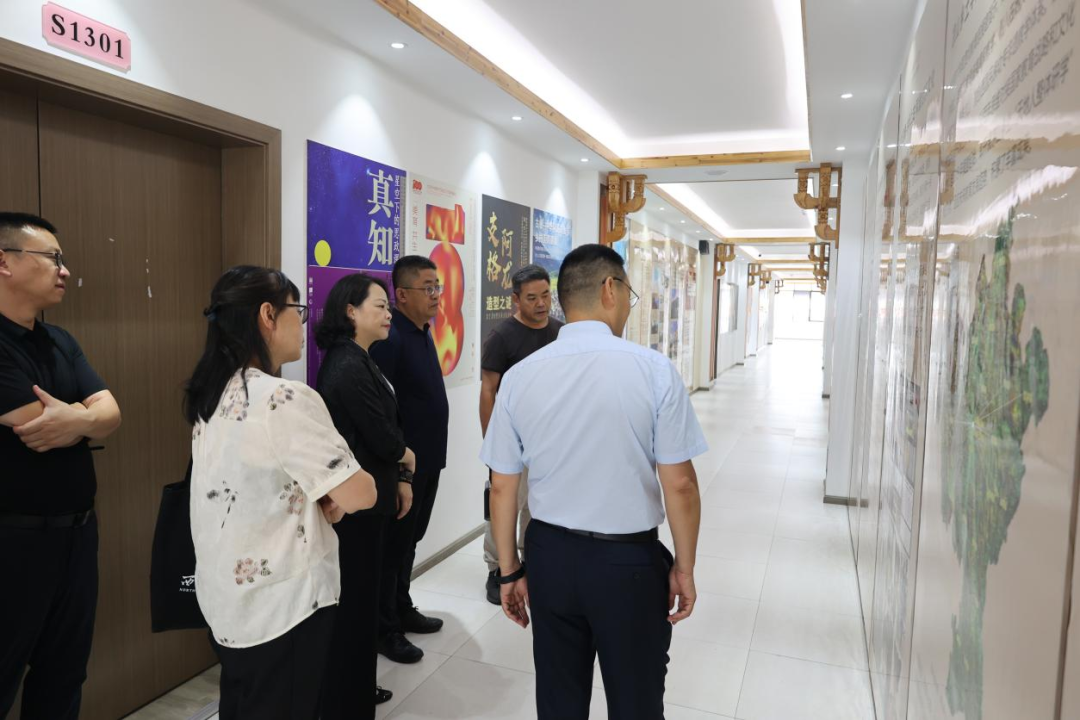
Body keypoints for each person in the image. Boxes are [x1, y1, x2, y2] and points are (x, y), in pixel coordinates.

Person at [480, 244, 707, 720]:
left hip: (549, 557)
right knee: (636, 700)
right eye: (629, 294)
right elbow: (681, 486)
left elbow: (502, 487)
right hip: (627, 564)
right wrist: (684, 568)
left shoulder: (520, 377)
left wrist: (510, 571)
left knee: (559, 698)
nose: (628, 306)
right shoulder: (653, 370)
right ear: (610, 289)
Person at [184, 265, 377, 720]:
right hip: (284, 605)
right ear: (268, 315)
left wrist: (318, 494)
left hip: (227, 599)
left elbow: (256, 482)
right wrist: (335, 492)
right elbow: (361, 494)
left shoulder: (213, 392)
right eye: (298, 311)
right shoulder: (282, 397)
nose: (303, 323)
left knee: (243, 703)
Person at [0, 212, 122, 720]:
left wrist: (78, 420)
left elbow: (112, 414)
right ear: (4, 262)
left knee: (64, 673)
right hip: (13, 542)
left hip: (76, 535)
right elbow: (35, 424)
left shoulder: (60, 340)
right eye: (52, 258)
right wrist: (87, 418)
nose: (64, 270)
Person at [315, 274, 417, 718]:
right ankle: (348, 697)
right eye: (379, 305)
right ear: (350, 311)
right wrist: (406, 456)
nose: (388, 313)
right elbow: (380, 433)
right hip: (353, 508)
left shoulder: (359, 358)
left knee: (362, 599)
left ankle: (356, 688)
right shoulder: (346, 365)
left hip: (368, 500)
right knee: (354, 602)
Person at [369, 255, 448, 663]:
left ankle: (402, 608)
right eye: (427, 288)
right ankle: (384, 630)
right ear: (400, 294)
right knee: (392, 548)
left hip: (429, 461)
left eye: (438, 286)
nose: (436, 295)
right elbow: (385, 412)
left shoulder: (422, 331)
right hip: (405, 469)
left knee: (409, 543)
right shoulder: (391, 339)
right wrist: (401, 470)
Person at [478, 264, 563, 604]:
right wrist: (491, 444)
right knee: (504, 504)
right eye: (531, 298)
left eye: (546, 295)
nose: (541, 303)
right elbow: (488, 391)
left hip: (549, 440)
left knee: (537, 505)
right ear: (515, 299)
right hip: (512, 440)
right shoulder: (502, 337)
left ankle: (530, 563)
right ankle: (497, 568)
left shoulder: (560, 331)